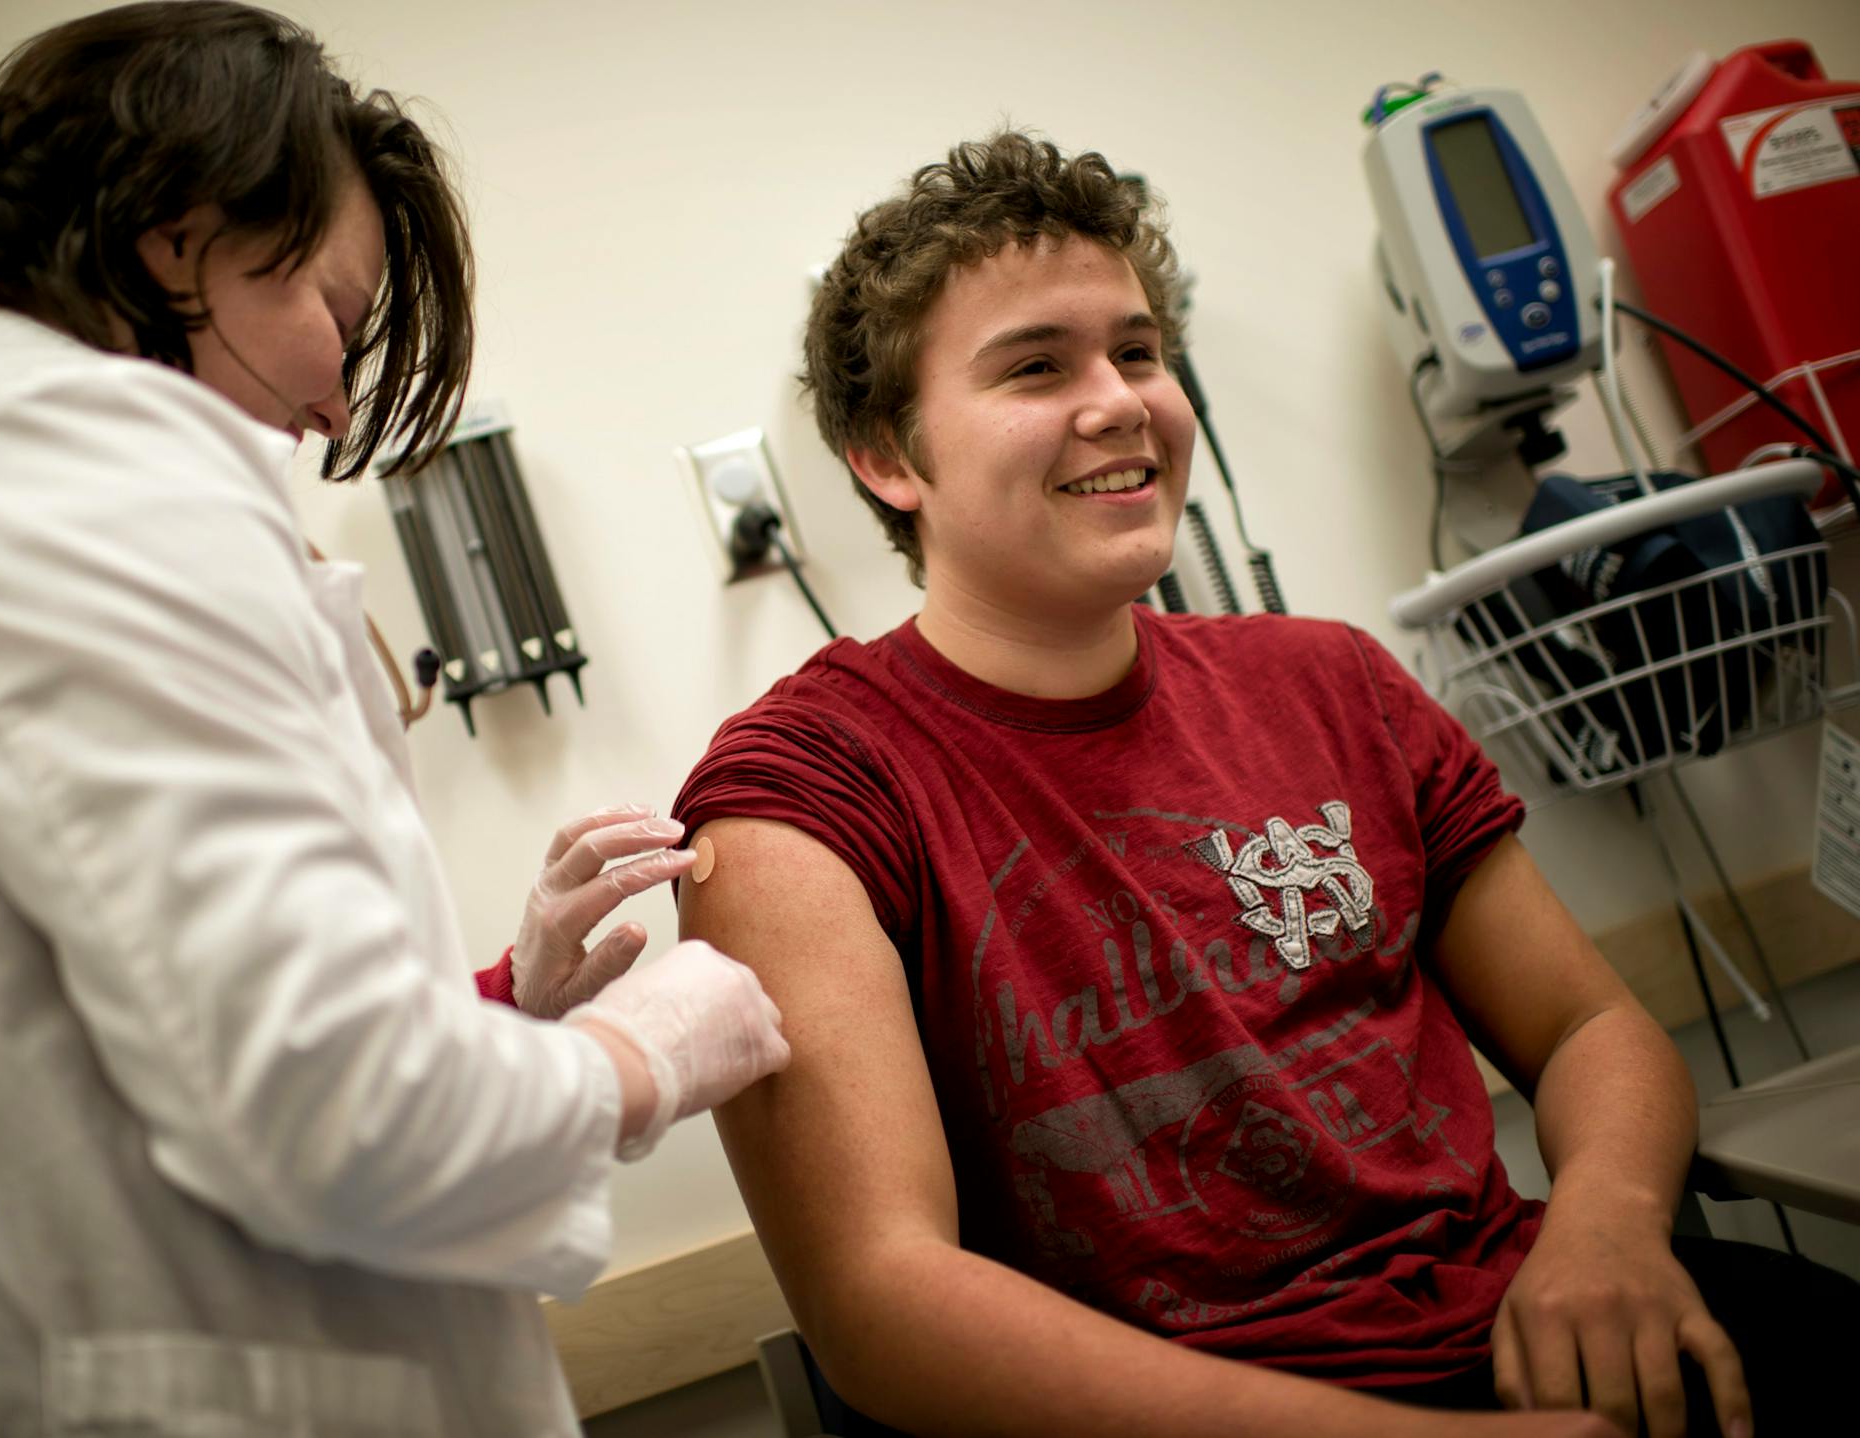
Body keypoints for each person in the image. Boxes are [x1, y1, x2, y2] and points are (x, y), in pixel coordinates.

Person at [0, 5, 787, 1434]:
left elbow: (102, 1044)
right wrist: (651, 1047)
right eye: (336, 314)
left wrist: (504, 1001)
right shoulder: (71, 465)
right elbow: (335, 1113)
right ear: (177, 235)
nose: (335, 407)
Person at [674, 131, 1857, 1438]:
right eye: (1034, 365)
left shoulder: (1332, 685)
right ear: (886, 455)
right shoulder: (800, 800)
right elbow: (884, 1307)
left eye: (1137, 350)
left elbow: (1591, 1029)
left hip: (1517, 1325)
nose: (1121, 399)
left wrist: (1608, 1232)